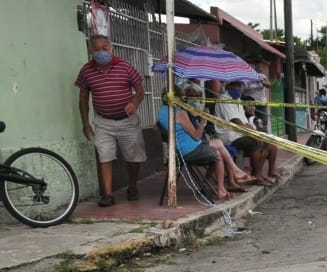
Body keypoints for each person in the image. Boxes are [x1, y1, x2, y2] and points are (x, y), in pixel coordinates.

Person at [75, 34, 147, 207]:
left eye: (104, 48)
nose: (101, 52)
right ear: (90, 51)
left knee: (133, 157)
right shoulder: (86, 71)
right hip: (103, 121)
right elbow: (83, 98)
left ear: (111, 49)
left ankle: (132, 186)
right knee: (104, 155)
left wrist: (134, 103)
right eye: (96, 49)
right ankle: (107, 195)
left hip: (127, 120)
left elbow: (140, 90)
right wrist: (85, 122)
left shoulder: (125, 66)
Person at [157, 84, 233, 201]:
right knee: (218, 155)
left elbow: (156, 128)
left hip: (177, 150)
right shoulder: (179, 113)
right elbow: (197, 136)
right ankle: (221, 190)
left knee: (217, 145)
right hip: (188, 150)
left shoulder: (161, 112)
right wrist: (203, 120)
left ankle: (233, 175)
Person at [215, 80, 272, 185]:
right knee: (254, 143)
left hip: (239, 133)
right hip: (229, 135)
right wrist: (253, 135)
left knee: (267, 143)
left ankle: (257, 173)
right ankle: (256, 176)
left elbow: (245, 122)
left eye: (240, 85)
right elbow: (235, 120)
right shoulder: (224, 99)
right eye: (236, 85)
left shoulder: (238, 100)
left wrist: (255, 133)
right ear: (229, 86)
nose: (239, 88)